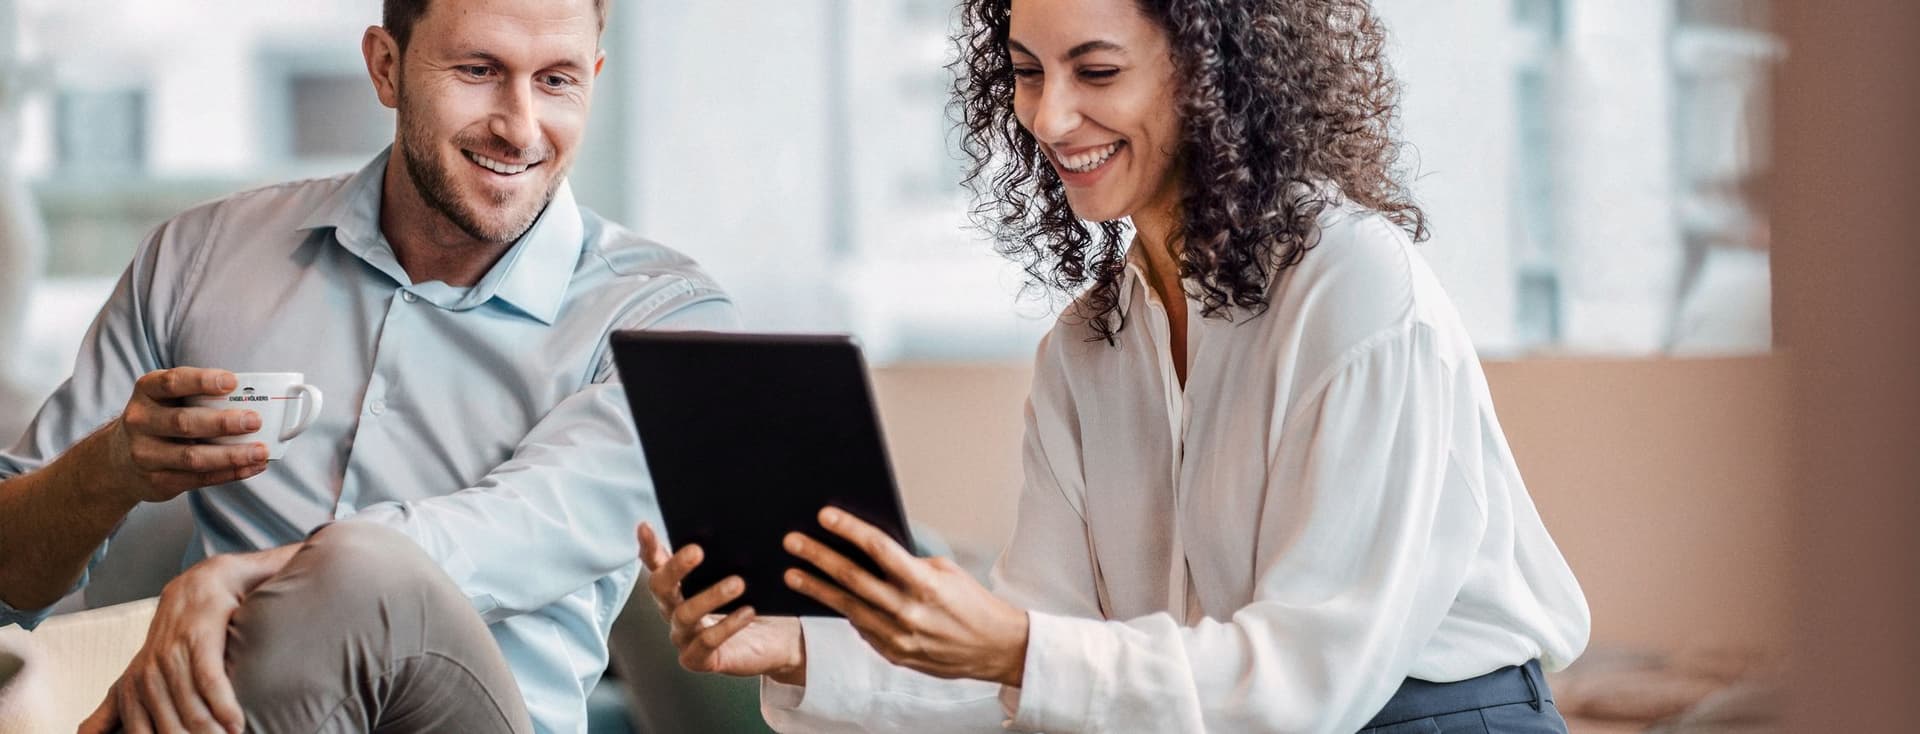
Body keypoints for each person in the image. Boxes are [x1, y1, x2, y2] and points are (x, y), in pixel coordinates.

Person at [640, 0, 1590, 731]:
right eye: (1024, 71)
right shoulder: (1087, 347)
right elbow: (1043, 654)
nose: (1050, 117)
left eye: (1096, 70)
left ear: (1213, 69)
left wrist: (1018, 648)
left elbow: (1310, 680)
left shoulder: (1357, 289)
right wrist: (798, 649)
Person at [0, 0, 734, 731]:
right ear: (386, 67)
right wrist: (111, 467)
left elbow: (501, 535)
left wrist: (237, 579)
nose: (519, 126)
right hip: (230, 716)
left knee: (368, 573)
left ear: (594, 79)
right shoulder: (197, 260)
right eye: (478, 71)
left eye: (556, 81)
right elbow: (9, 582)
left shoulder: (669, 326)